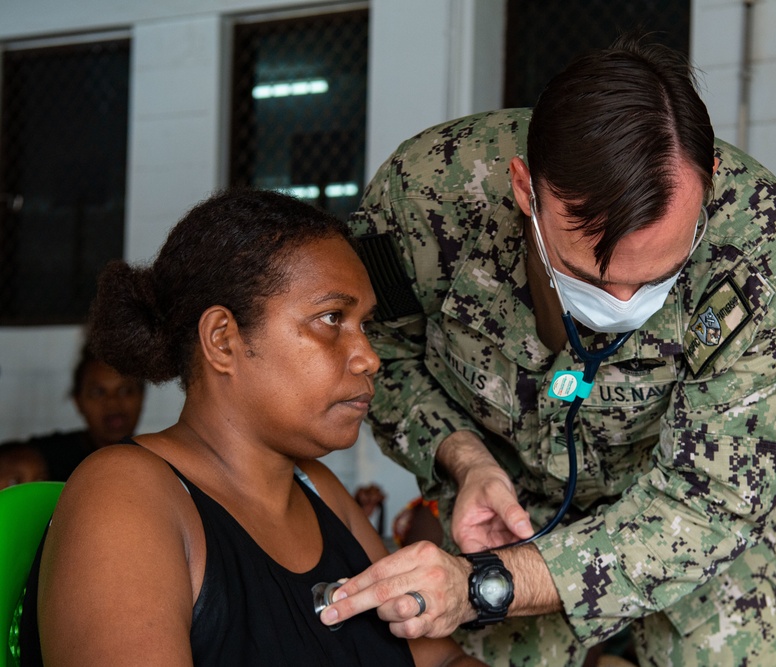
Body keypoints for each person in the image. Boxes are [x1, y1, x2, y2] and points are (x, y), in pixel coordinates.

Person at [323, 33, 776, 666]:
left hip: (695, 527)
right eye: (590, 275)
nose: (623, 301)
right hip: (506, 515)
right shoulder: (427, 198)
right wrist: (463, 458)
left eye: (659, 274)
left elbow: (713, 502)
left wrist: (489, 587)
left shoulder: (764, 250)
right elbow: (378, 356)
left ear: (710, 180)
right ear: (526, 191)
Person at [20, 189, 484, 667]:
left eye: (364, 326)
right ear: (223, 340)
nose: (369, 357)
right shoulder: (124, 493)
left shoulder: (317, 490)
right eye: (331, 319)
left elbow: (442, 662)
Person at [0, 346, 145, 489]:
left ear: (142, 397)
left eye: (125, 391)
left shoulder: (154, 458)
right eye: (98, 392)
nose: (113, 402)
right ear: (78, 402)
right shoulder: (48, 455)